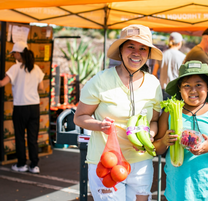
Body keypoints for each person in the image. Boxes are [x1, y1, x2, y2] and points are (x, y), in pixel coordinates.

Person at [73, 24, 163, 200]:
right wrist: (99, 125)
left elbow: (154, 120)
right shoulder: (100, 81)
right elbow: (79, 117)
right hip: (106, 162)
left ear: (148, 54)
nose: (136, 52)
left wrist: (150, 135)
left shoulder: (154, 84)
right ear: (121, 50)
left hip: (141, 161)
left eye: (142, 48)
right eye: (131, 46)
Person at [153, 60, 208, 200]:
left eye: (199, 85)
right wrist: (164, 142)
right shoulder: (170, 113)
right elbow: (157, 149)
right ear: (179, 88)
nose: (193, 90)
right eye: (187, 86)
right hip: (177, 191)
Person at [0, 41, 44, 174]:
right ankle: (34, 165)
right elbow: (41, 88)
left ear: (19, 53)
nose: (13, 56)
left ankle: (21, 164)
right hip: (34, 106)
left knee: (20, 136)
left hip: (20, 106)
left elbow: (2, 83)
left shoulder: (15, 68)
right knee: (32, 137)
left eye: (14, 54)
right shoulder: (36, 68)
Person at [152, 32, 185, 100]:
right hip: (176, 89)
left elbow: (154, 74)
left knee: (164, 110)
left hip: (163, 89)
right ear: (179, 43)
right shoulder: (183, 57)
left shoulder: (161, 55)